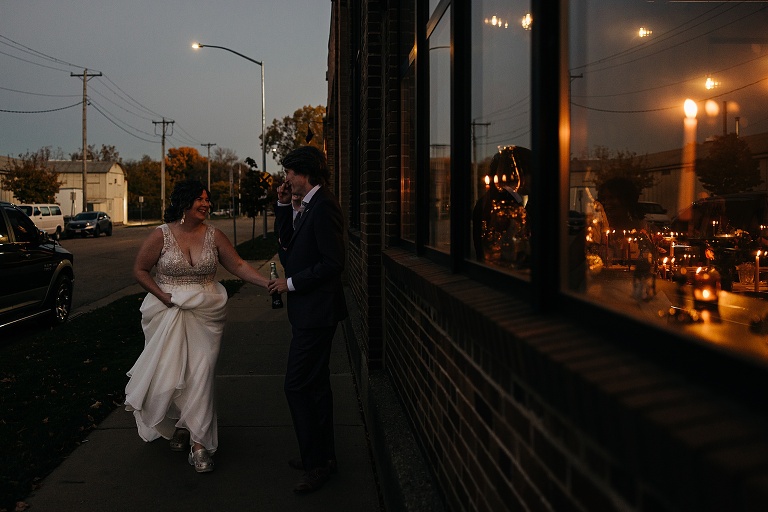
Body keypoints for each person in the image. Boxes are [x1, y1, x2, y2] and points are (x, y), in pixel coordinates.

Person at [124, 179, 270, 474]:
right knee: (172, 373)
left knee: (200, 375)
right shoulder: (161, 235)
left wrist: (268, 283)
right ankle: (181, 426)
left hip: (206, 314)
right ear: (184, 203)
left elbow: (238, 265)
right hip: (168, 313)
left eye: (207, 200)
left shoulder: (214, 235)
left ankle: (200, 444)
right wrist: (161, 295)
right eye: (200, 200)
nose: (206, 204)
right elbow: (140, 269)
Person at [268, 146, 348, 494]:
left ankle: (317, 464)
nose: (285, 179)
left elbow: (333, 263)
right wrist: (284, 206)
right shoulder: (306, 206)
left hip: (318, 313)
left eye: (289, 173)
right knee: (315, 387)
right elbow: (286, 247)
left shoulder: (324, 205)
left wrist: (289, 284)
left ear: (306, 173)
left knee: (297, 385)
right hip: (307, 313)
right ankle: (323, 455)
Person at [274, 186, 305, 267]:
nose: (295, 194)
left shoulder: (306, 211)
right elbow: (279, 232)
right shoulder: (285, 212)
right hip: (288, 258)